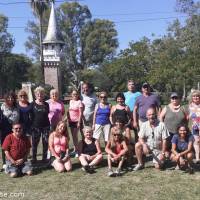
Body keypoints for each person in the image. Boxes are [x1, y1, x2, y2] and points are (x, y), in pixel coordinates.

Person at [0, 92, 19, 169]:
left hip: (15, 130)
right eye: (9, 98)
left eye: (12, 98)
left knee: (14, 145)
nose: (10, 99)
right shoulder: (3, 107)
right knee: (5, 146)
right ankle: (4, 162)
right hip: (4, 129)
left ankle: (14, 160)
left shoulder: (17, 106)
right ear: (6, 99)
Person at [31, 86, 50, 163]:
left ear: (43, 95)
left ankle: (44, 158)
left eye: (41, 94)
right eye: (38, 94)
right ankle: (34, 158)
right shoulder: (32, 104)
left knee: (45, 142)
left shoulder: (46, 104)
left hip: (46, 126)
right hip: (35, 127)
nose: (40, 95)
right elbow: (31, 115)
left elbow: (47, 114)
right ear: (35, 95)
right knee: (35, 143)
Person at [67, 90, 83, 157]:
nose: (75, 95)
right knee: (73, 137)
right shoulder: (71, 101)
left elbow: (81, 113)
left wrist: (79, 122)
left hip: (77, 121)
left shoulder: (79, 102)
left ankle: (77, 151)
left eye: (76, 94)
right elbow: (69, 111)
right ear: (71, 95)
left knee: (75, 136)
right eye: (73, 94)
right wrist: (66, 119)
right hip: (71, 121)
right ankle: (75, 150)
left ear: (78, 95)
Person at [188, 90, 200, 163]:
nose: (195, 97)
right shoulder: (190, 106)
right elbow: (189, 116)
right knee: (196, 141)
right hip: (194, 126)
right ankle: (197, 158)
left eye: (197, 96)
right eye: (194, 96)